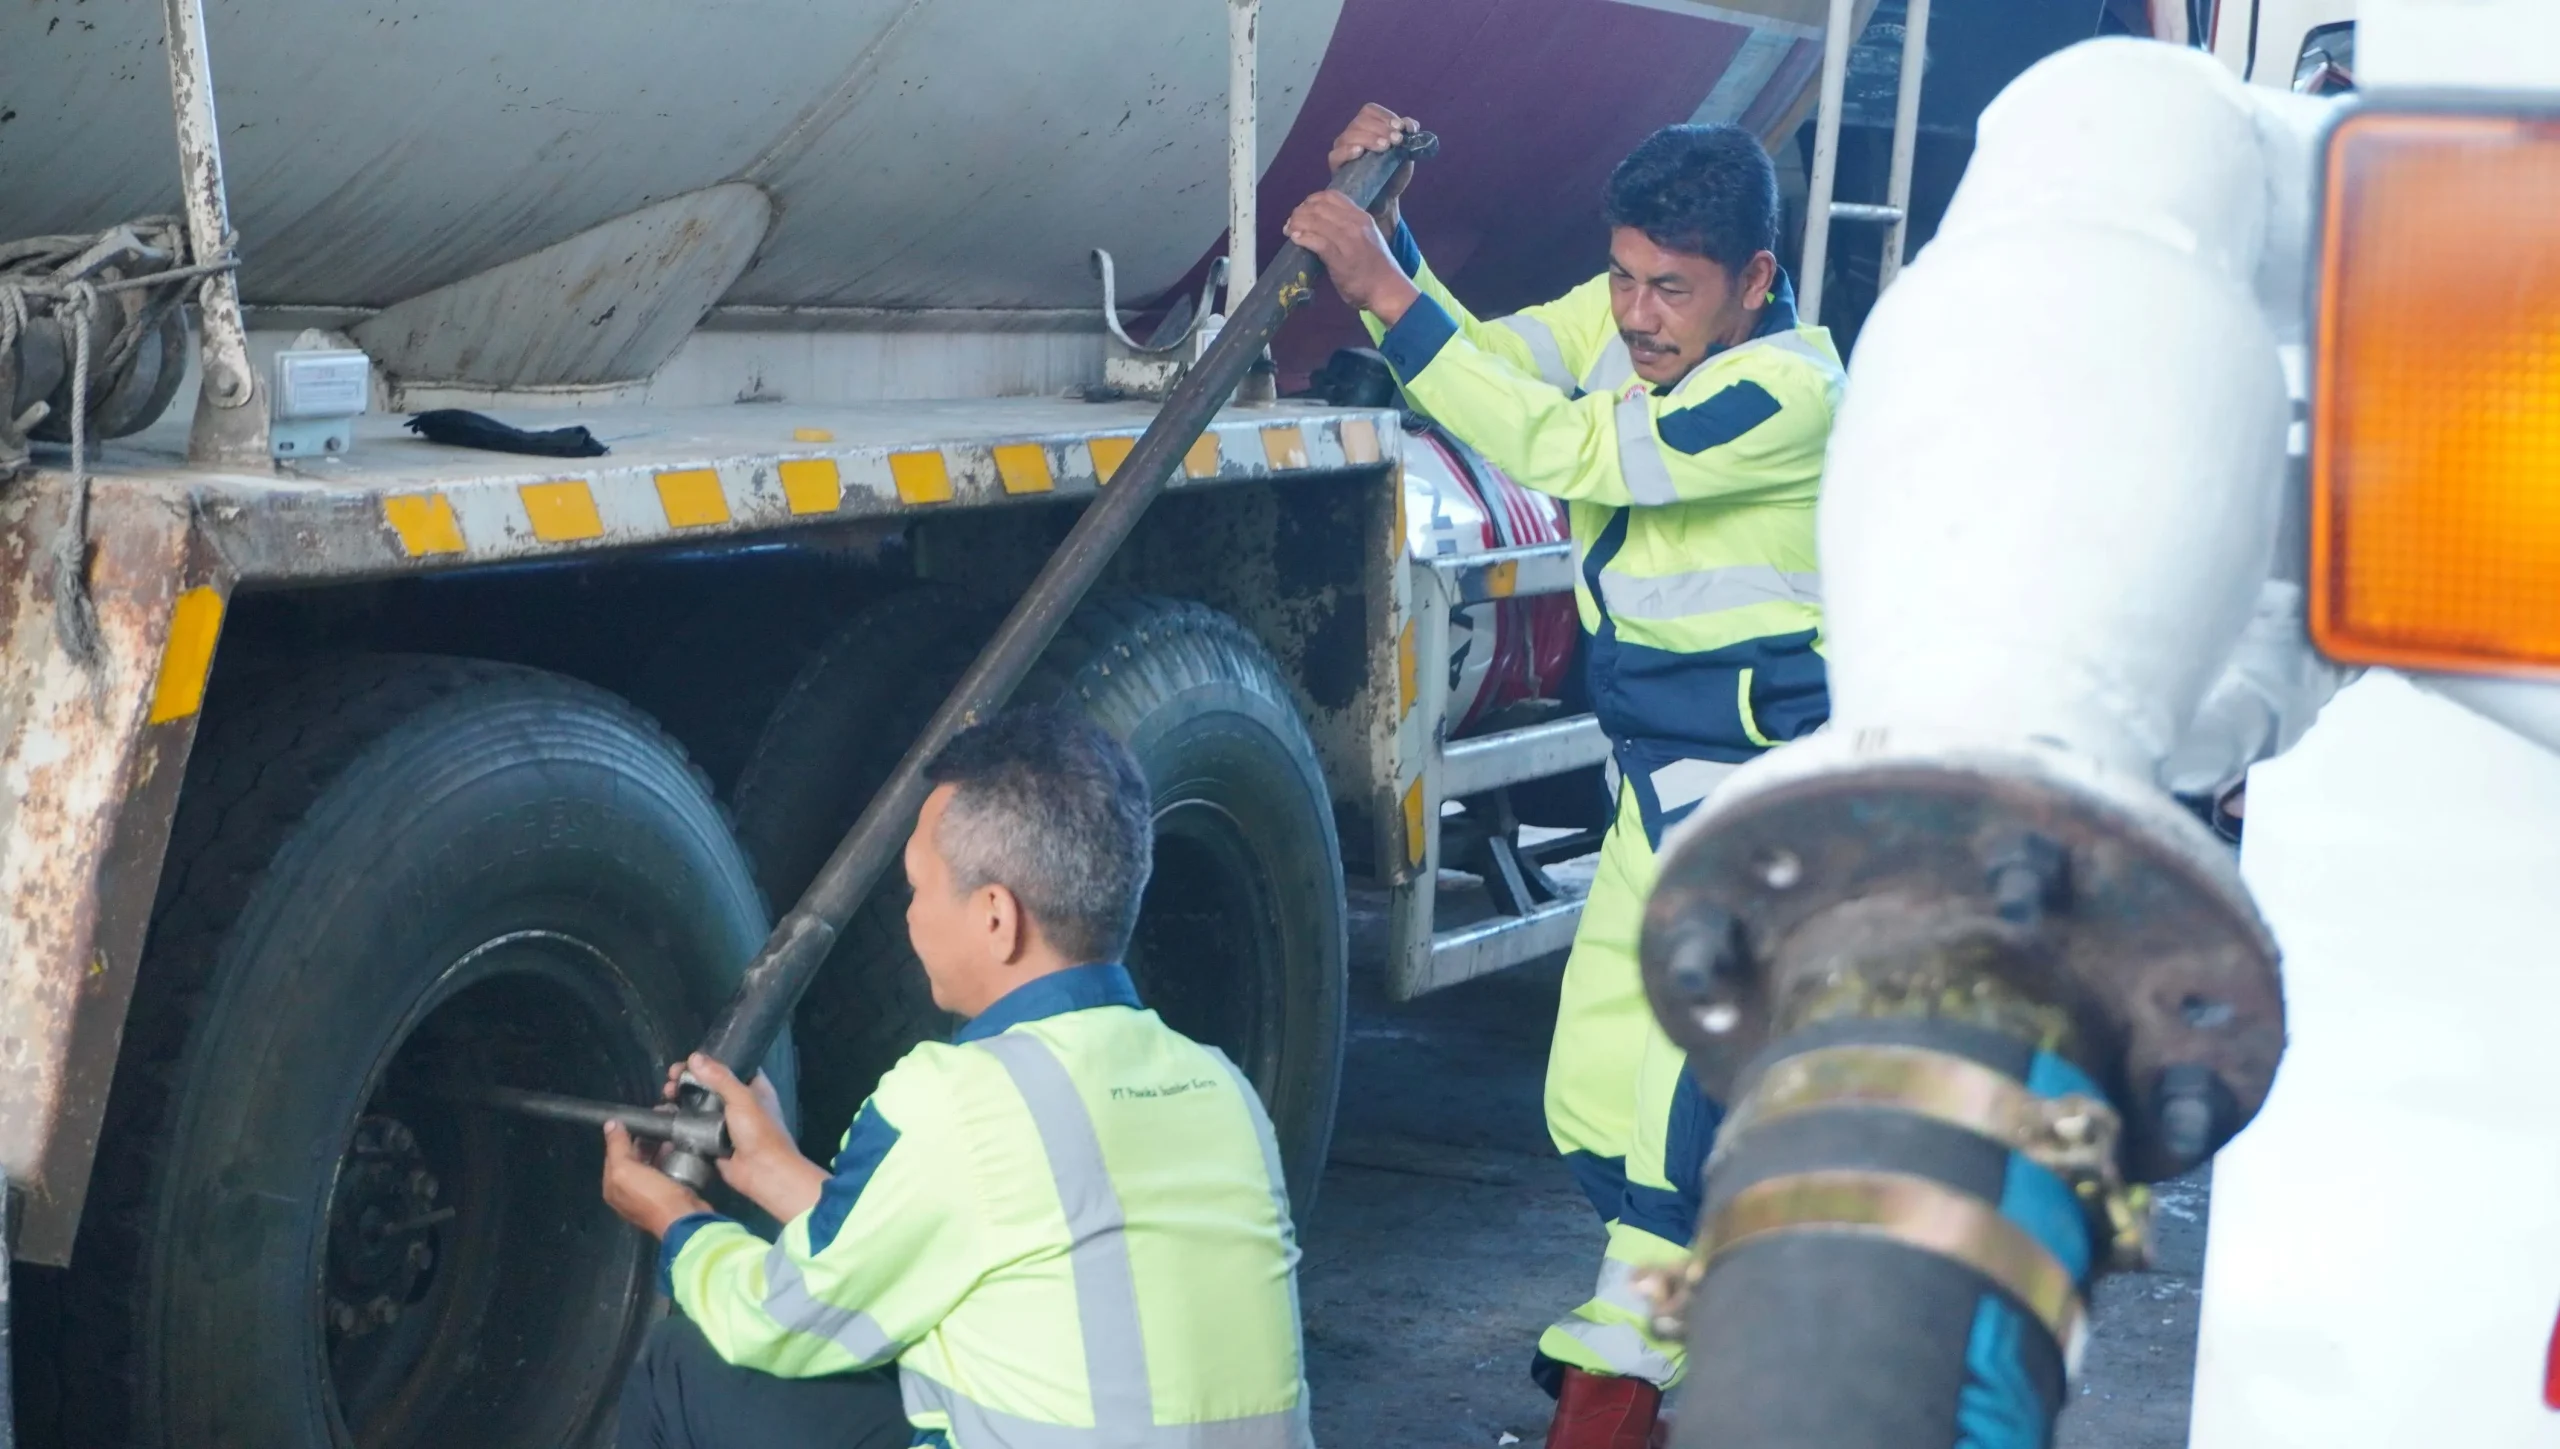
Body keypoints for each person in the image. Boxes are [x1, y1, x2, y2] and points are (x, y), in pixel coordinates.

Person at [1286, 107, 1844, 1447]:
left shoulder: (1789, 390)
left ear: (1753, 285)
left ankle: (1626, 1383)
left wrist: (1378, 286)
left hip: (1761, 787)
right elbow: (1485, 363)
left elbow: (1570, 451)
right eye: (1625, 277)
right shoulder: (1630, 324)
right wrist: (1395, 227)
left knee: (1671, 1089)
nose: (1637, 315)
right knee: (1601, 1068)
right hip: (1664, 768)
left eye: (1674, 289)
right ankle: (1673, 1343)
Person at [600, 706, 1314, 1449]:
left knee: (680, 1365)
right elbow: (979, 1230)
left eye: (917, 887)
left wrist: (674, 1216)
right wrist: (772, 1167)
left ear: (997, 917)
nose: (910, 918)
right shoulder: (1222, 1088)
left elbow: (778, 1320)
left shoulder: (957, 1097)